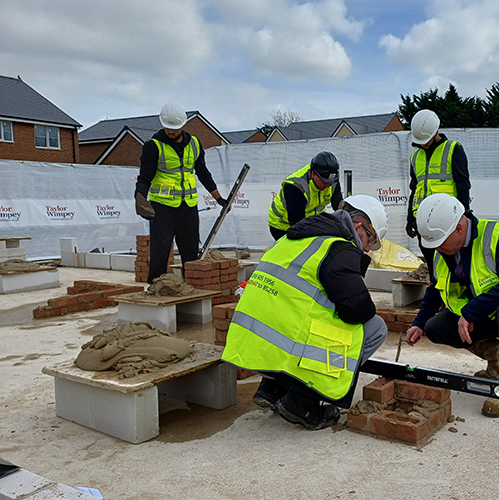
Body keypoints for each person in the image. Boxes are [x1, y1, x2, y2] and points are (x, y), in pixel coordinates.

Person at [222, 195, 389, 430]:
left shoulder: (297, 236)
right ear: (359, 226)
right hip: (281, 340)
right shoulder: (338, 246)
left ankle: (270, 388)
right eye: (369, 240)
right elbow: (357, 310)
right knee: (375, 328)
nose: (367, 248)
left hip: (254, 343)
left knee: (305, 311)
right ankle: (302, 401)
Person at [404, 194, 499, 418]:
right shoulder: (442, 251)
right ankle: (496, 363)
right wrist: (419, 323)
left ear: (459, 228)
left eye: (440, 241)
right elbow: (436, 288)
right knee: (436, 327)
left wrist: (470, 312)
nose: (437, 248)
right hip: (488, 316)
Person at [135, 102, 229, 284]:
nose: (171, 132)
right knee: (160, 249)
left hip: (188, 206)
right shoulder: (153, 146)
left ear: (183, 125)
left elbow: (203, 172)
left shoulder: (194, 144)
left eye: (175, 128)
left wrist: (218, 198)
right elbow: (145, 177)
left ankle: (191, 286)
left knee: (190, 250)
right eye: (168, 128)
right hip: (162, 207)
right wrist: (139, 199)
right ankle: (156, 287)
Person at [406, 109, 471, 280]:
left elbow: (463, 184)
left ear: (436, 132)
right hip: (422, 218)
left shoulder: (453, 149)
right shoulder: (415, 157)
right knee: (431, 262)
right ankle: (437, 294)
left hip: (446, 219)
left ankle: (453, 297)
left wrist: (464, 213)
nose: (423, 144)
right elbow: (415, 189)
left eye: (426, 140)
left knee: (451, 262)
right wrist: (410, 217)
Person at [267, 151, 344, 240]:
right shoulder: (296, 187)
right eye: (324, 182)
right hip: (282, 225)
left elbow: (339, 208)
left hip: (310, 221)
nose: (328, 186)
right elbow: (297, 226)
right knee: (298, 250)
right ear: (313, 174)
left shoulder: (331, 181)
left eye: (330, 183)